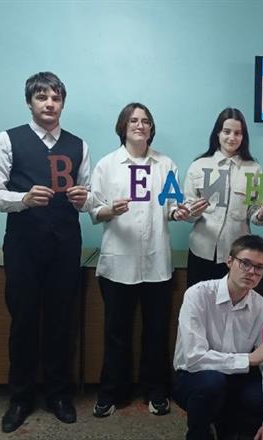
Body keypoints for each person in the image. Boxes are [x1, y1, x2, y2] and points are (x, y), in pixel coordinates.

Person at [0, 72, 91, 432]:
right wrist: (24, 199)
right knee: (24, 321)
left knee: (61, 321)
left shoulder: (78, 145)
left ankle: (59, 394)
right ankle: (20, 398)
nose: (49, 103)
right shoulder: (8, 139)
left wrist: (85, 197)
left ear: (63, 103)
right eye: (42, 97)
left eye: (56, 98)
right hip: (23, 245)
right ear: (29, 102)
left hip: (65, 245)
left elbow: (89, 197)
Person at [89, 103, 187, 418]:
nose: (140, 125)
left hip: (157, 264)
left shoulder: (166, 165)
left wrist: (181, 212)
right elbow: (94, 210)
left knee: (156, 333)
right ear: (123, 126)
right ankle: (111, 392)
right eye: (133, 120)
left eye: (145, 121)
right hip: (118, 263)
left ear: (151, 128)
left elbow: (172, 206)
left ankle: (156, 391)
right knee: (116, 333)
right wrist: (111, 210)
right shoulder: (107, 165)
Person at [172, 235, 263, 440]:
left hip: (238, 377)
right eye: (245, 263)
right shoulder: (198, 295)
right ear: (229, 261)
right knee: (212, 383)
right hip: (195, 377)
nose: (251, 272)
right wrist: (247, 359)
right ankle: (200, 433)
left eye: (259, 268)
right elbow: (194, 358)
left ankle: (228, 425)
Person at [183, 107, 263, 288]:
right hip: (201, 250)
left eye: (238, 133)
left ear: (243, 137)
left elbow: (254, 212)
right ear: (218, 133)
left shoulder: (255, 169)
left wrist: (261, 215)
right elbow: (187, 211)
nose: (232, 137)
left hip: (237, 256)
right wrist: (193, 211)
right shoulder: (198, 166)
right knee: (199, 301)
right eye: (227, 131)